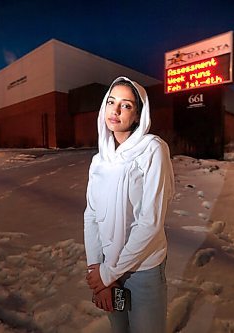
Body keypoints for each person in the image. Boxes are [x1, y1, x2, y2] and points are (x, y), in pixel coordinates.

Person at [84, 76, 175, 332]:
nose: (115, 110)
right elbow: (91, 216)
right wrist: (97, 269)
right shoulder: (99, 160)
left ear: (137, 116)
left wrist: (107, 274)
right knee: (119, 329)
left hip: (142, 270)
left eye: (125, 105)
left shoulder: (153, 149)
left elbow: (151, 222)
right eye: (111, 102)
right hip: (107, 270)